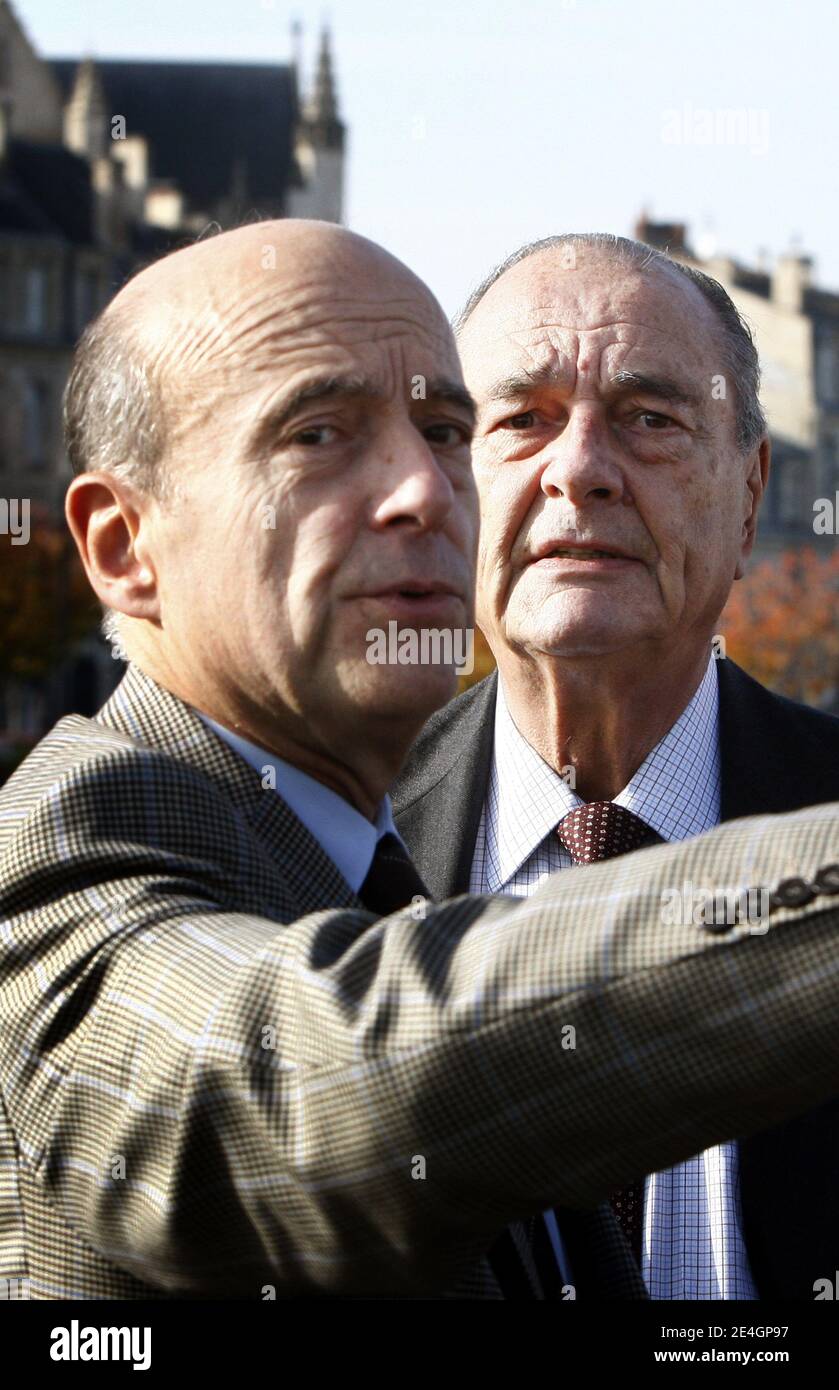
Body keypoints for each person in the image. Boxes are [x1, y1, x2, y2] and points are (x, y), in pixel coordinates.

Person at [2, 221, 839, 1303]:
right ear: (123, 545)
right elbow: (300, 1087)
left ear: (747, 495)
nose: (425, 490)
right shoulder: (70, 838)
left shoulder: (364, 848)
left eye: (442, 428)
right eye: (317, 433)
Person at [393, 232, 839, 1299]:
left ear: (747, 495)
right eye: (520, 420)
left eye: (649, 419)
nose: (580, 468)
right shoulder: (320, 859)